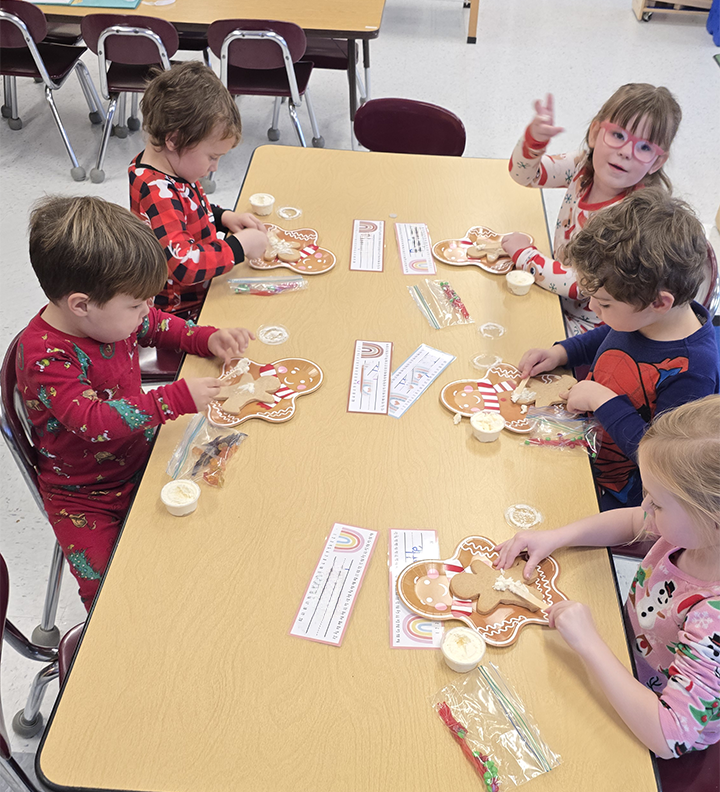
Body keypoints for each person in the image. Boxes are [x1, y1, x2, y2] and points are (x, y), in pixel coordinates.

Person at [16, 195, 254, 610]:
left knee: (221, 532)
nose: (146, 309)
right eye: (135, 303)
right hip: (84, 495)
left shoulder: (110, 316)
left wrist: (205, 337)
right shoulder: (46, 355)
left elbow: (155, 324)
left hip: (139, 455)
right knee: (114, 598)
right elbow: (93, 420)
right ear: (81, 305)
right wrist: (174, 397)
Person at [495, 394, 720, 759]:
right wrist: (557, 536)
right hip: (628, 651)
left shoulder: (713, 619)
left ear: (713, 519)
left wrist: (588, 643)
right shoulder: (694, 530)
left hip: (650, 713)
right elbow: (634, 521)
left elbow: (670, 737)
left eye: (657, 503)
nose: (645, 506)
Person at [518, 189, 718, 510]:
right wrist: (562, 353)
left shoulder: (693, 370)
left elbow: (661, 457)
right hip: (582, 443)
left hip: (619, 494)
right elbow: (610, 334)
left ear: (659, 302)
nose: (592, 307)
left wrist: (602, 400)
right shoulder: (643, 315)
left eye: (605, 302)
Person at [502, 84, 682, 336]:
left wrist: (525, 255)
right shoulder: (581, 166)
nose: (626, 152)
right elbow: (523, 175)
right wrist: (534, 141)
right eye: (618, 136)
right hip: (556, 298)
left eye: (644, 148)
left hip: (592, 330)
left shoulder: (632, 216)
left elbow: (582, 284)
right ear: (596, 133)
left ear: (657, 162)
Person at [129, 61, 268, 319]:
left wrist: (223, 217)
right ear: (175, 139)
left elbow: (186, 209)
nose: (214, 167)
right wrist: (240, 246)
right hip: (181, 312)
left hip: (204, 288)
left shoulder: (172, 167)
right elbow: (185, 264)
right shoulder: (157, 189)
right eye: (212, 157)